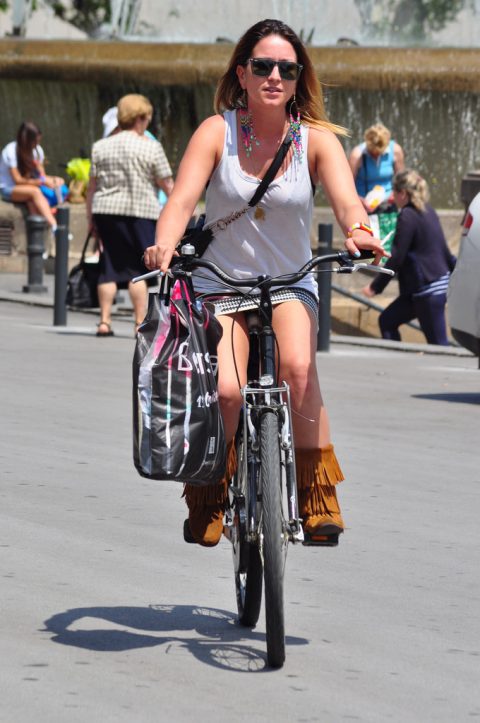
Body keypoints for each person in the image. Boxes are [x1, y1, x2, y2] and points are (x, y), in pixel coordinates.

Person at [143, 18, 386, 547]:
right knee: (227, 390)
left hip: (291, 281)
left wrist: (361, 232)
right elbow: (181, 201)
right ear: (243, 73)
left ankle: (318, 500)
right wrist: (164, 243)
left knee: (299, 369)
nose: (275, 75)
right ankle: (208, 497)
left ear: (299, 79)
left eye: (287, 68)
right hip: (221, 281)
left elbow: (348, 200)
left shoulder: (315, 141)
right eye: (263, 66)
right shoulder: (217, 131)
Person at [86, 94, 174, 337]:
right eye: (147, 118)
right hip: (140, 213)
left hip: (105, 211)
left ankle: (104, 321)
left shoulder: (101, 146)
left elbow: (91, 189)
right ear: (140, 118)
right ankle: (138, 323)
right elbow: (168, 185)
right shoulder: (150, 146)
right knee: (138, 271)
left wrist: (90, 219)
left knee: (109, 267)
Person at [362, 169, 456, 345]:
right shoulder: (428, 210)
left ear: (403, 193)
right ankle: (396, 364)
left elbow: (397, 256)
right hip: (425, 287)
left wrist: (375, 287)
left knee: (439, 346)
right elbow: (444, 251)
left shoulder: (407, 215)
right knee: (387, 321)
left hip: (428, 289)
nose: (392, 198)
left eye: (394, 192)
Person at [0, 121, 66, 235]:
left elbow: (42, 176)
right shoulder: (10, 151)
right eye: (35, 141)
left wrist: (54, 179)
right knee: (34, 192)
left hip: (28, 189)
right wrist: (43, 182)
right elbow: (18, 181)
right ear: (26, 140)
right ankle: (55, 227)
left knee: (32, 201)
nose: (37, 144)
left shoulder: (37, 151)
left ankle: (39, 240)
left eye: (38, 141)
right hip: (8, 189)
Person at [348, 123, 405, 213]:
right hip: (364, 204)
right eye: (372, 152)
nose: (376, 155)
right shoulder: (357, 155)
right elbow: (347, 186)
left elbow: (401, 181)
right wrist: (358, 199)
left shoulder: (395, 150)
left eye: (380, 153)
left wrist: (394, 195)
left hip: (388, 203)